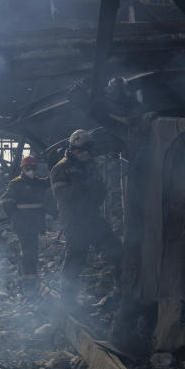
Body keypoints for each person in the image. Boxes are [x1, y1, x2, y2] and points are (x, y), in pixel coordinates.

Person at [49, 129, 122, 308]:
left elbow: (101, 191)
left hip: (93, 219)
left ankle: (122, 293)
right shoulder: (61, 168)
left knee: (117, 252)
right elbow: (62, 194)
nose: (87, 153)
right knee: (75, 259)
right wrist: (84, 186)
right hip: (75, 222)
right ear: (74, 149)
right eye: (84, 149)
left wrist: (96, 189)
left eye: (89, 150)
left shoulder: (90, 166)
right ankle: (67, 302)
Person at [1, 155, 54, 294]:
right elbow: (6, 202)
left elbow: (51, 181)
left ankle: (30, 279)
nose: (30, 170)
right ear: (22, 169)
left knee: (32, 251)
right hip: (23, 224)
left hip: (35, 223)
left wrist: (55, 163)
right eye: (27, 168)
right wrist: (15, 218)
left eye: (33, 167)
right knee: (28, 252)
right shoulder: (16, 184)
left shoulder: (38, 182)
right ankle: (28, 285)